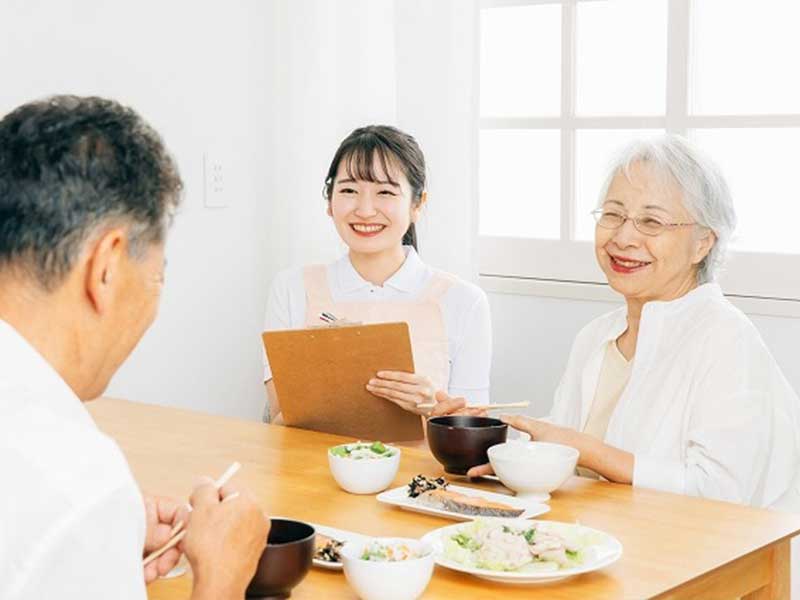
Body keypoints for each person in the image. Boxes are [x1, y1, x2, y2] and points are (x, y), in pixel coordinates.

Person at [0, 95, 270, 600]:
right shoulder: (75, 483)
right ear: (107, 267)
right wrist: (222, 579)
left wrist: (100, 546)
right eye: (158, 276)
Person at [450, 135, 800, 509]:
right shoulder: (597, 335)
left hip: (695, 558)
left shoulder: (727, 339)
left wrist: (591, 452)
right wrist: (473, 436)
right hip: (595, 541)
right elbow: (561, 447)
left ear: (703, 243)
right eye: (614, 214)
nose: (624, 236)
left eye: (651, 221)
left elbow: (721, 490)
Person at [262, 125, 492, 429]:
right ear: (329, 202)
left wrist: (433, 410)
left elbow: (472, 435)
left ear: (417, 204)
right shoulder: (292, 288)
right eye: (348, 191)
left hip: (420, 476)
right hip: (309, 469)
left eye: (385, 192)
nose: (365, 210)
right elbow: (279, 422)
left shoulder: (464, 301)